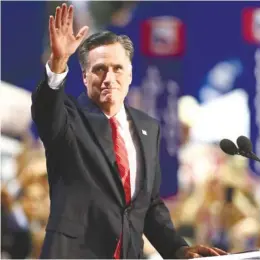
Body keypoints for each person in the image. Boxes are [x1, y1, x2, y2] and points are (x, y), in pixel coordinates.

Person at [31, 3, 228, 259]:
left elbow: (147, 206)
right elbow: (46, 111)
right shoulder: (68, 122)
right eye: (99, 69)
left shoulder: (147, 129)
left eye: (117, 69)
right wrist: (58, 63)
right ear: (84, 77)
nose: (108, 78)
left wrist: (178, 248)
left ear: (130, 75)